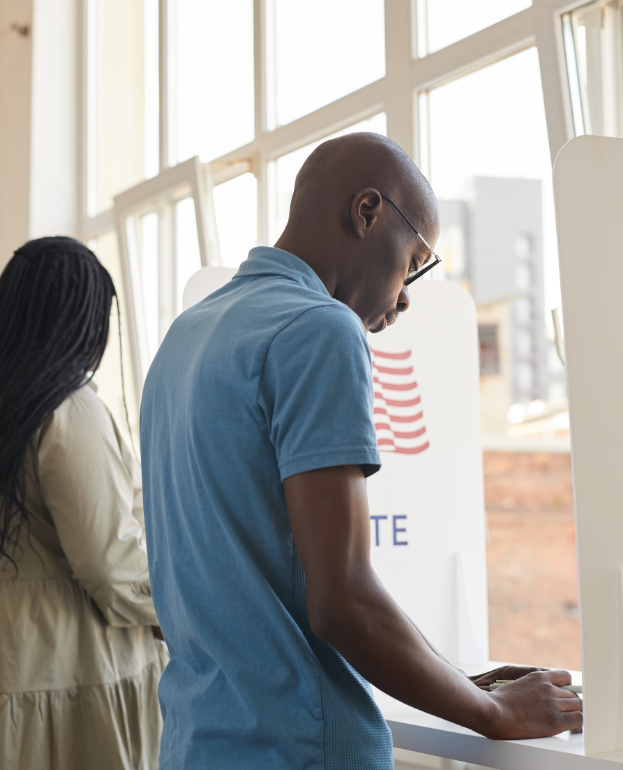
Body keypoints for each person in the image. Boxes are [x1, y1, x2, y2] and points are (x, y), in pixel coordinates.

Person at [140, 133, 582, 769]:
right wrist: (493, 711)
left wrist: (454, 676)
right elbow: (341, 601)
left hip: (198, 745)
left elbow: (240, 584)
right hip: (296, 749)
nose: (405, 297)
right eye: (415, 261)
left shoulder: (187, 337)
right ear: (367, 211)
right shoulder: (319, 329)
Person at [0, 237, 166, 770]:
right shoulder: (66, 408)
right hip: (52, 662)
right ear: (80, 322)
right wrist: (174, 611)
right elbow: (110, 564)